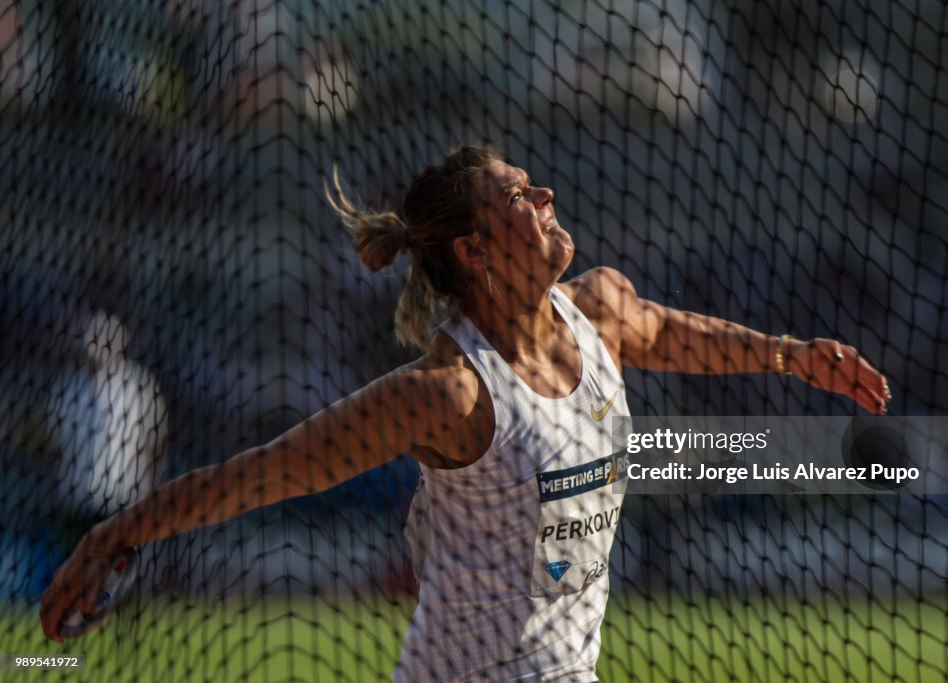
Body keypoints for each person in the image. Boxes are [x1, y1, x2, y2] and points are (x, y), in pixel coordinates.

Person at [40, 144, 890, 680]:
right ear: (474, 252)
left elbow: (669, 331)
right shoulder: (451, 393)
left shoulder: (595, 310)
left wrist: (789, 354)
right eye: (519, 195)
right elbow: (264, 474)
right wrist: (116, 535)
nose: (546, 192)